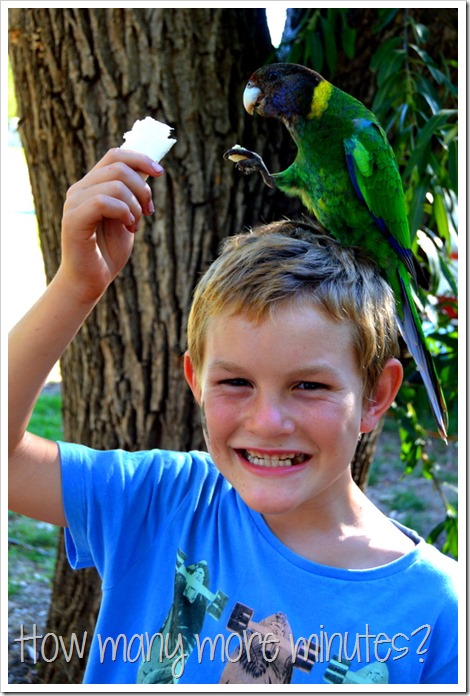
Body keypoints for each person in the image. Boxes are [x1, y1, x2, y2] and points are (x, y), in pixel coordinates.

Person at [9, 149, 458, 685]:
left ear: (375, 396)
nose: (268, 420)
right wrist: (77, 285)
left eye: (309, 385)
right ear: (196, 380)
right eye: (236, 382)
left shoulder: (442, 616)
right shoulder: (162, 501)